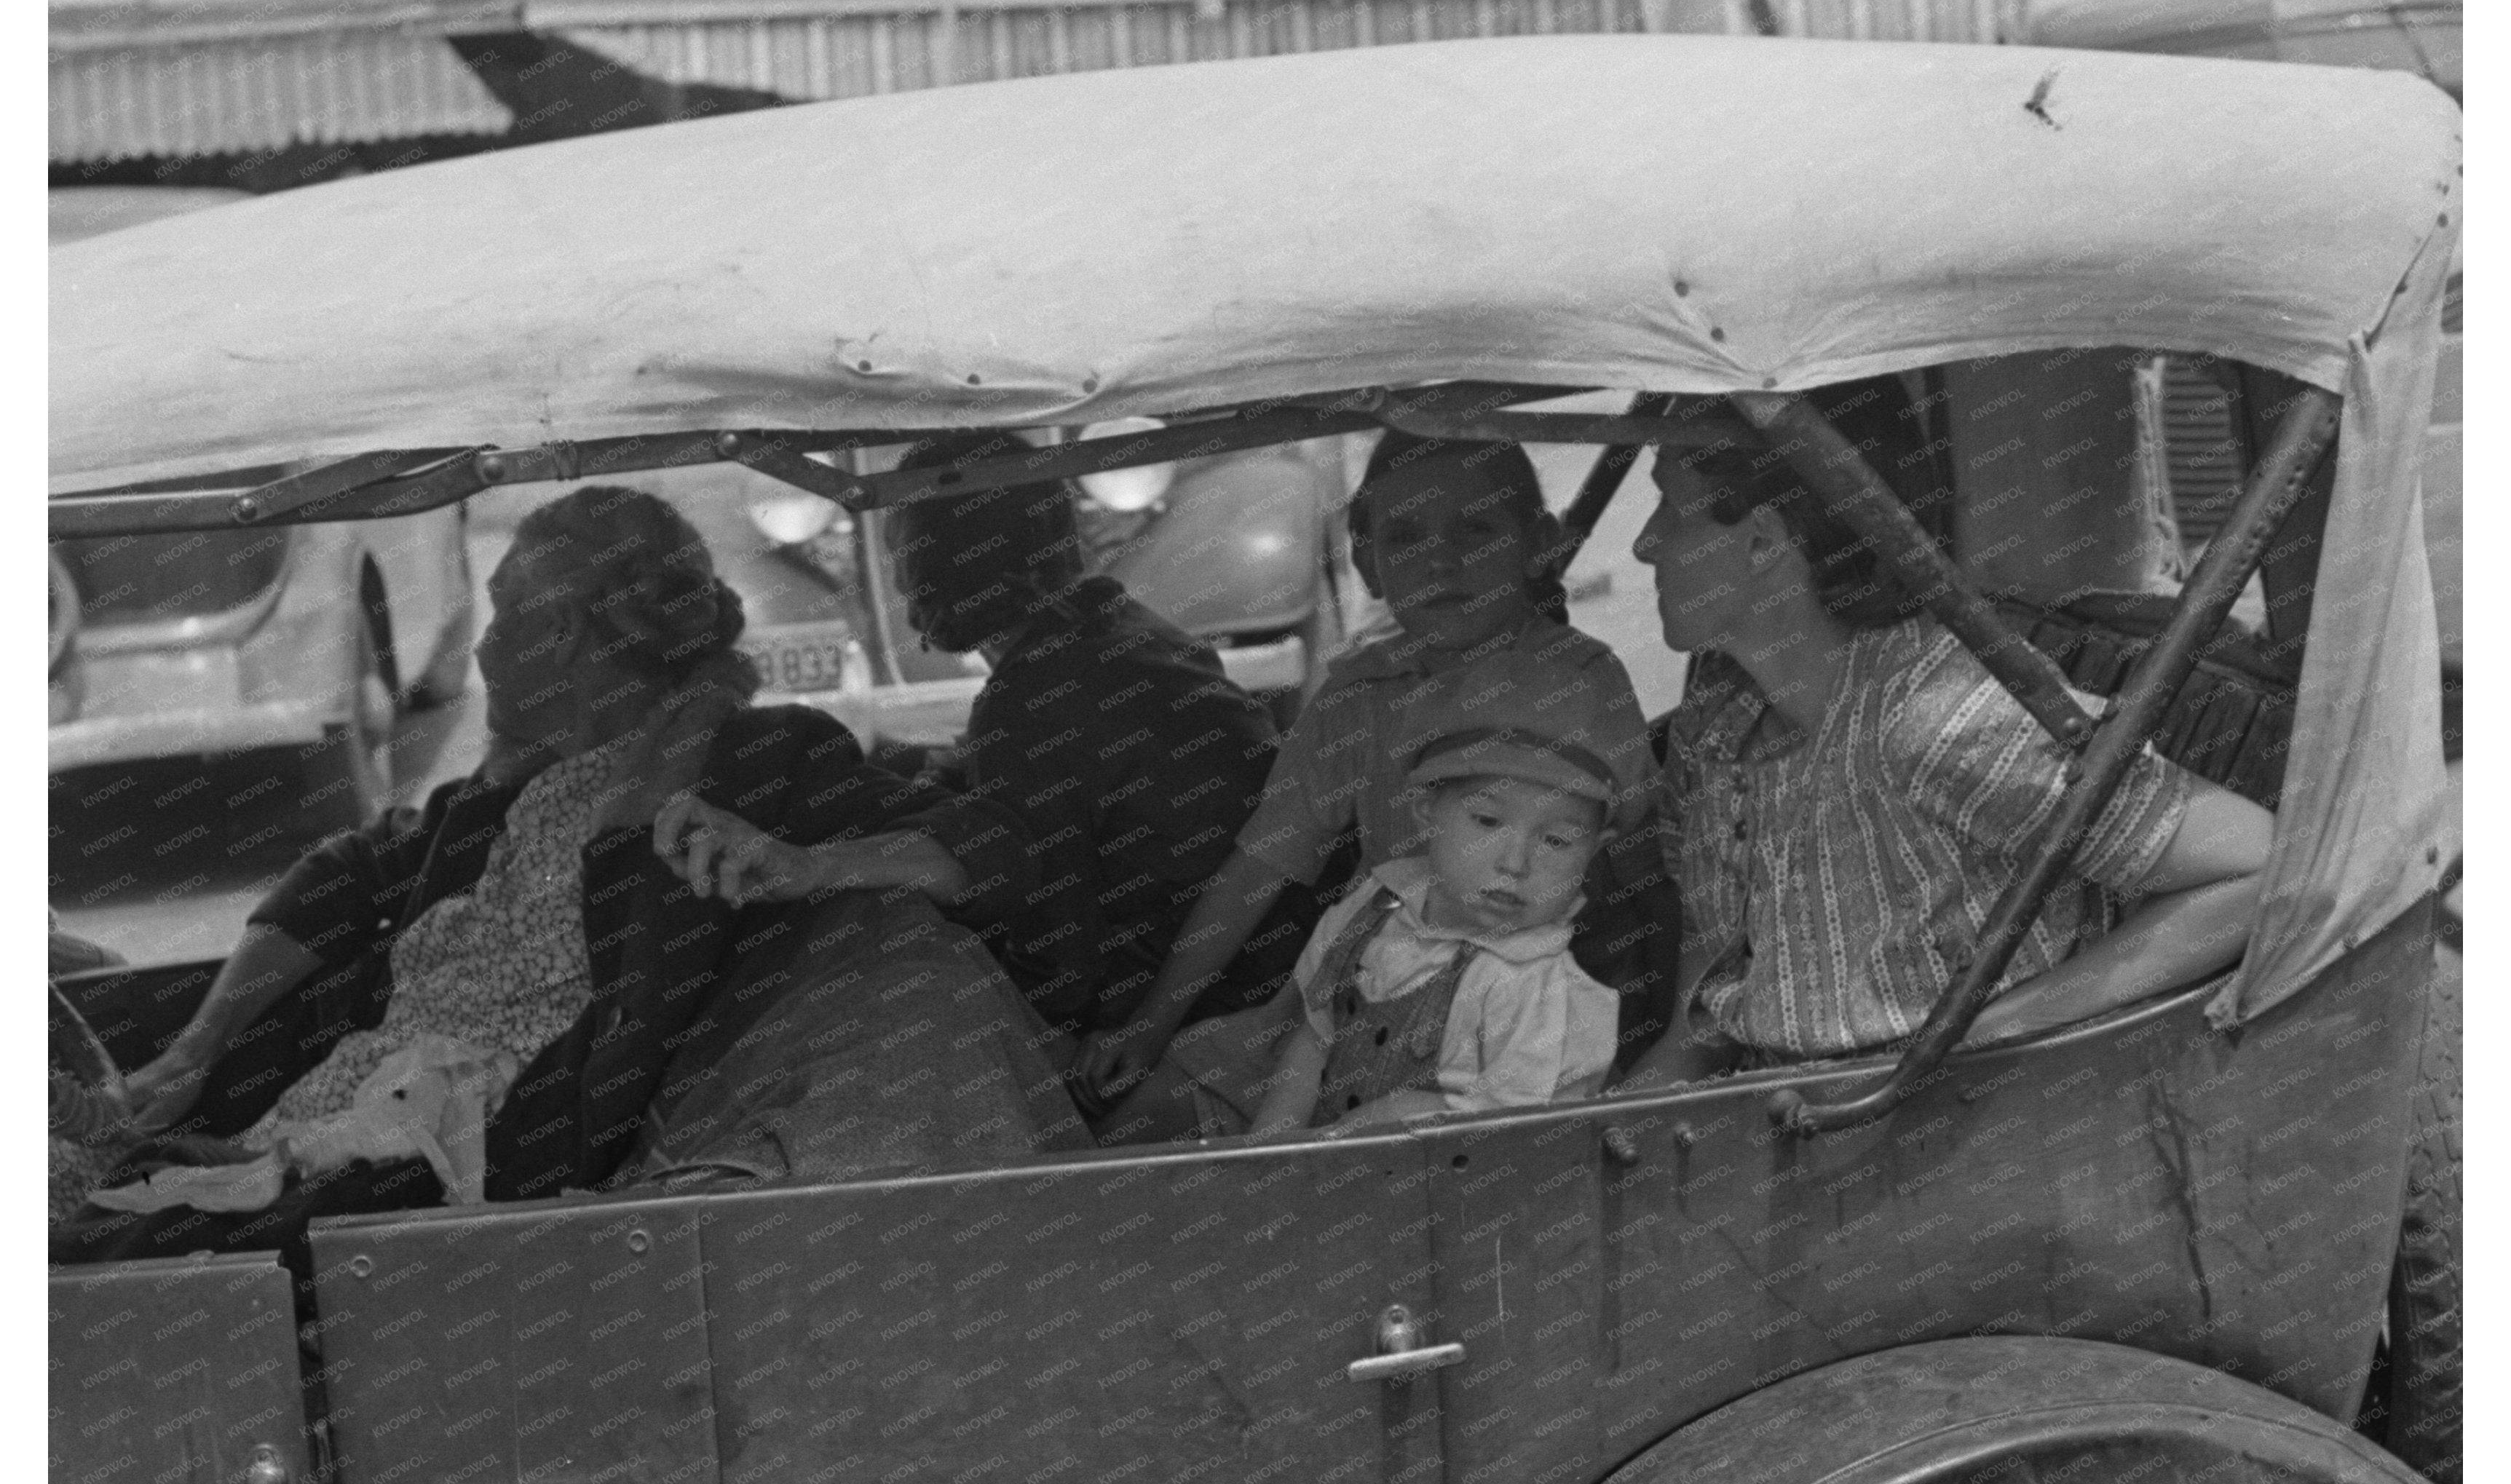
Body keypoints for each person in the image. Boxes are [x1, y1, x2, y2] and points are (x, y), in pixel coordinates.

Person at [62, 486, 1031, 1262]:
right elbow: (339, 878)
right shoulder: (496, 795)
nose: (480, 648)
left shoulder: (753, 761)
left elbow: (992, 849)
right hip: (310, 1136)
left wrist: (806, 865)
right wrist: (195, 1048)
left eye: (504, 617)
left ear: (565, 633)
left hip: (443, 1179)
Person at [1622, 387, 2274, 1079]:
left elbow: (2256, 868)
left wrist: (1971, 1040)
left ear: (1761, 539)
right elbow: (1698, 1028)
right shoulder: (1715, 728)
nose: (1643, 544)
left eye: (1669, 506)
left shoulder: (1940, 718)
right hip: (1769, 1127)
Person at [653, 434, 1294, 1074]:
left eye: (921, 553)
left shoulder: (1028, 697)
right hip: (1268, 952)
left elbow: (1058, 955)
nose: (906, 582)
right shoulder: (1125, 625)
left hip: (1217, 1005)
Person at [1079, 429, 1657, 1113]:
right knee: (1157, 1105)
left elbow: (1638, 865)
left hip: (1516, 1004)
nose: (1441, 560)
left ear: (1535, 544)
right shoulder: (1359, 694)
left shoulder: (1577, 681)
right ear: (1367, 561)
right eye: (1407, 537)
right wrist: (1151, 1024)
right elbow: (1259, 867)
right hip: (1366, 982)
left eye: (1475, 528)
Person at [1241, 648, 1629, 1134]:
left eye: (1555, 841)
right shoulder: (1374, 906)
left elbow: (1515, 1132)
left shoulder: (1537, 987)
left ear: (1594, 851)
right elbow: (1315, 1039)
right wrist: (1271, 1153)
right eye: (1486, 820)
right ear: (1425, 810)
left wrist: (1389, 1117)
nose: (1515, 863)